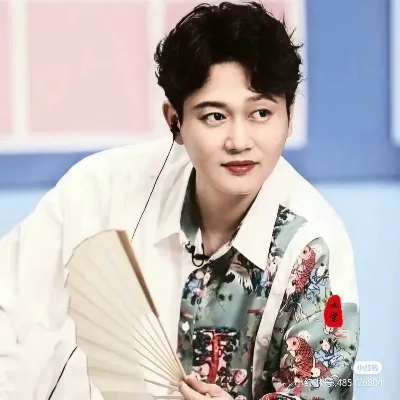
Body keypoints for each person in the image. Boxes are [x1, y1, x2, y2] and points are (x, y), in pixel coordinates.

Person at [0, 1, 360, 399]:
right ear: (175, 121)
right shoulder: (100, 190)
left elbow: (323, 388)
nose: (239, 141)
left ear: (289, 117)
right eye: (214, 116)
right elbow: (6, 307)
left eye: (260, 113)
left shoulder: (314, 242)